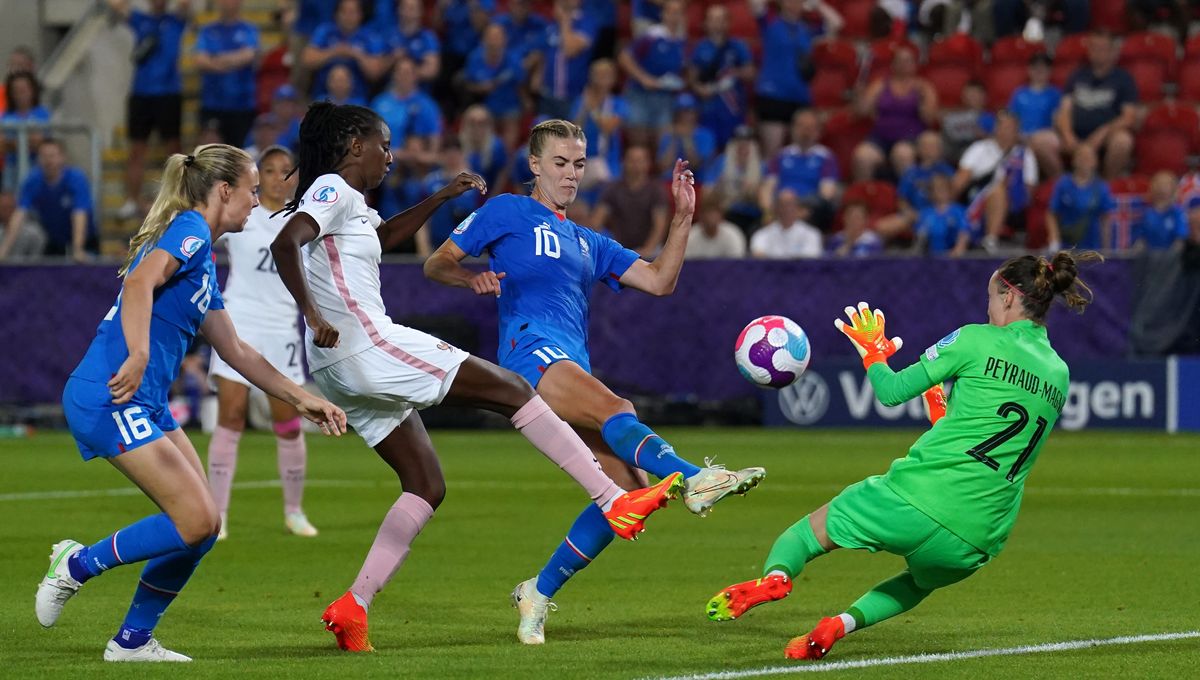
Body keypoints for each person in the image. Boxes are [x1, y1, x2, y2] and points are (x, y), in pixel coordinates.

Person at [269, 103, 681, 653]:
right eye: (383, 145)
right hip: (364, 343)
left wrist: (440, 198)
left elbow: (383, 235)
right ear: (352, 146)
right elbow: (286, 241)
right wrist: (314, 314)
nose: (391, 155)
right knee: (514, 390)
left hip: (338, 368)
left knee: (426, 484)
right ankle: (611, 497)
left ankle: (354, 606)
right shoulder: (332, 189)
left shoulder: (355, 207)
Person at [424, 118, 765, 645]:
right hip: (528, 354)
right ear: (534, 164)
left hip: (569, 364)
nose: (570, 173)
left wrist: (683, 218)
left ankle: (537, 591)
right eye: (559, 162)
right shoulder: (507, 211)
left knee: (625, 492)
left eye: (578, 164)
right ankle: (696, 478)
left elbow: (659, 281)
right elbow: (436, 261)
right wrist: (471, 275)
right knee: (618, 405)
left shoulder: (587, 241)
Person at [706, 250, 1098, 660]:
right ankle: (839, 624)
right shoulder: (1059, 372)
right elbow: (990, 437)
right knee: (918, 583)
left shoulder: (975, 339)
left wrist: (873, 353)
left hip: (916, 498)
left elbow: (891, 392)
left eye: (990, 298)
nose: (987, 309)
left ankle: (776, 577)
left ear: (1007, 297)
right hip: (979, 534)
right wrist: (942, 416)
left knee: (806, 534)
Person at [38, 143, 347, 662]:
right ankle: (74, 565)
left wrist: (300, 396)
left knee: (200, 530)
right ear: (224, 191)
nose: (256, 202)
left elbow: (236, 350)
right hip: (112, 396)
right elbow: (138, 283)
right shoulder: (191, 228)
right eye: (251, 190)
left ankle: (132, 641)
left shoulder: (203, 259)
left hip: (145, 402)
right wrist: (138, 353)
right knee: (199, 519)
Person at [205, 146, 317, 541]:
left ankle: (294, 511)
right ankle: (217, 514)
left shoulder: (305, 222)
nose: (275, 177)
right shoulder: (243, 216)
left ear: (295, 177)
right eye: (268, 170)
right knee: (230, 415)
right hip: (238, 322)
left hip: (282, 328)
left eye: (284, 170)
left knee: (287, 422)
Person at [108, 0, 190, 221]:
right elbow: (116, 5)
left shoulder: (176, 20)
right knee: (136, 150)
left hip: (169, 93)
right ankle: (132, 200)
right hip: (141, 93)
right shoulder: (140, 19)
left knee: (174, 151)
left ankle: (177, 199)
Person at [1054, 30, 1137, 180]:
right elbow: (1064, 110)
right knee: (1041, 141)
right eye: (1093, 47)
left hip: (1105, 137)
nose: (1096, 52)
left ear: (1113, 52)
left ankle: (1106, 185)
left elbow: (1128, 118)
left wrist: (1102, 133)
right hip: (1075, 136)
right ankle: (1065, 185)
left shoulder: (1124, 79)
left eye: (1101, 48)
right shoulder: (1076, 75)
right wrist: (1068, 136)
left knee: (1123, 141)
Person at [853, 47, 939, 182]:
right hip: (880, 138)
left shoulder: (924, 87)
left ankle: (904, 198)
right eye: (900, 61)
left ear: (914, 64)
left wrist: (922, 103)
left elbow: (930, 119)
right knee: (862, 156)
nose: (904, 65)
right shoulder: (879, 85)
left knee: (902, 154)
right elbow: (861, 111)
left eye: (908, 61)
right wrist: (860, 95)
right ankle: (864, 195)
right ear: (893, 64)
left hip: (910, 138)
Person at [0, 139, 95, 261]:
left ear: (62, 157)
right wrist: (4, 251)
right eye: (44, 156)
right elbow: (19, 215)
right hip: (53, 242)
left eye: (52, 156)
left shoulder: (76, 178)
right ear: (38, 159)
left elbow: (79, 214)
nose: (48, 161)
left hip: (84, 240)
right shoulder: (33, 180)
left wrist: (77, 249)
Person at [618, 0, 687, 147]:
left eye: (678, 13)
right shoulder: (652, 35)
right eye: (672, 12)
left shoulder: (680, 41)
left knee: (663, 144)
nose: (675, 17)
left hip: (664, 97)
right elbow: (624, 57)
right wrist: (644, 78)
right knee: (638, 142)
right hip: (641, 95)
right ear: (664, 14)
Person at [759, 109, 839, 233]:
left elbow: (827, 193)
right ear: (793, 128)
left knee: (823, 207)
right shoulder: (781, 155)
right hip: (780, 207)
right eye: (801, 126)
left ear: (818, 131)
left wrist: (797, 211)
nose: (805, 132)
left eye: (810, 127)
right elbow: (767, 188)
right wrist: (769, 211)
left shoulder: (826, 157)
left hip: (808, 210)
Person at [753, 0, 815, 158]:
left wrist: (818, 5)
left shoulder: (805, 29)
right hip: (773, 93)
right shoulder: (770, 23)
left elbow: (836, 24)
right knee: (772, 152)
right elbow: (755, 4)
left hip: (799, 95)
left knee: (801, 152)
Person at [193, 0, 260, 146]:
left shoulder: (249, 29)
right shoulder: (207, 31)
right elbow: (200, 61)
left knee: (241, 154)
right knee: (210, 153)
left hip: (242, 105)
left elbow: (248, 56)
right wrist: (234, 60)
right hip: (213, 104)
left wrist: (216, 59)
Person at [688, 3, 755, 149]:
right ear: (706, 23)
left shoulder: (738, 46)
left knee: (732, 151)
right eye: (712, 19)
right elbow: (692, 78)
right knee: (708, 150)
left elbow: (750, 73)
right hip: (708, 110)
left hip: (733, 110)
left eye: (720, 19)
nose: (716, 23)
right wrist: (701, 90)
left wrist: (732, 74)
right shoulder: (700, 47)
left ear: (727, 22)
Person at [301, 0, 388, 102]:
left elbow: (376, 72)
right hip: (323, 97)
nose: (348, 17)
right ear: (337, 14)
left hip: (358, 99)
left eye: (352, 12)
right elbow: (307, 60)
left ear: (360, 15)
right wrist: (335, 51)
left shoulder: (370, 36)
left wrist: (354, 54)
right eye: (344, 12)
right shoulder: (325, 31)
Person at [590, 145, 669, 256]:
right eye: (631, 160)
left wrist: (647, 249)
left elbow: (659, 225)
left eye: (640, 161)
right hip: (619, 248)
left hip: (650, 249)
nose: (635, 165)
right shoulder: (612, 189)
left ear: (648, 164)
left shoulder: (656, 190)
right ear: (623, 162)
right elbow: (597, 221)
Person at [1046, 144, 1114, 251]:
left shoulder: (1102, 188)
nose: (1085, 161)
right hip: (1066, 247)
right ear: (1074, 160)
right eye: (1081, 157)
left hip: (1092, 249)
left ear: (1095, 162)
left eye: (1089, 158)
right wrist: (1054, 240)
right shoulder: (1063, 184)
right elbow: (1052, 214)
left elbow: (1106, 219)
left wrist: (1106, 248)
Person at [1008, 53, 1063, 178]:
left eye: (1043, 69)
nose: (1039, 72)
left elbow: (1058, 122)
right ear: (1029, 70)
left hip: (1045, 138)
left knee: (1043, 144)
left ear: (1050, 71)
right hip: (1020, 138)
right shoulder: (1019, 94)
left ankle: (1060, 180)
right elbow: (1011, 119)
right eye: (1036, 68)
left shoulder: (1055, 94)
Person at [1, 71, 51, 190]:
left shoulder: (42, 113)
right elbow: (1, 145)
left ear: (32, 90)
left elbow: (39, 143)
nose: (20, 94)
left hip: (37, 168)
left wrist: (12, 142)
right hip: (12, 168)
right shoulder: (5, 116)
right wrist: (26, 141)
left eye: (24, 89)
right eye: (16, 90)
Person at [750, 189, 822, 258]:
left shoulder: (812, 234)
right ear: (775, 208)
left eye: (790, 205)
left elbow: (810, 261)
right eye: (782, 205)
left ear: (797, 208)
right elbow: (758, 257)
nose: (787, 209)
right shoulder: (761, 235)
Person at [913, 173, 970, 256]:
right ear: (931, 192)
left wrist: (959, 249)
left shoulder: (958, 211)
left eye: (944, 188)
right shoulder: (926, 213)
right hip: (930, 257)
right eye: (938, 188)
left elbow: (964, 232)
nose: (942, 191)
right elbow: (920, 236)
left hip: (952, 256)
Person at [1132, 171, 1188, 251]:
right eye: (1158, 184)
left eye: (1166, 185)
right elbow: (1140, 239)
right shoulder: (1145, 212)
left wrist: (1170, 257)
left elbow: (1180, 240)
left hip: (1170, 258)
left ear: (1173, 188)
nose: (1161, 188)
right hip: (1149, 257)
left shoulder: (1177, 212)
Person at [685, 191, 747, 259]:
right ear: (701, 215)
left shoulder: (733, 235)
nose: (711, 217)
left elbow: (737, 265)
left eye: (714, 212)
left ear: (721, 214)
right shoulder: (690, 236)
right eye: (708, 212)